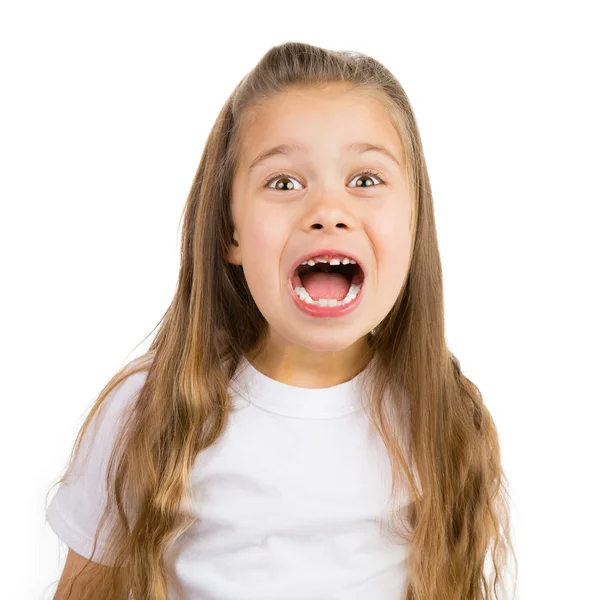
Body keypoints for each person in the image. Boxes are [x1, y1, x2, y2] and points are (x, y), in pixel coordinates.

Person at [45, 41, 516, 600]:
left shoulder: (441, 414)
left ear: (414, 224)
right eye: (284, 183)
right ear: (229, 231)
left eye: (365, 180)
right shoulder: (149, 408)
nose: (328, 213)